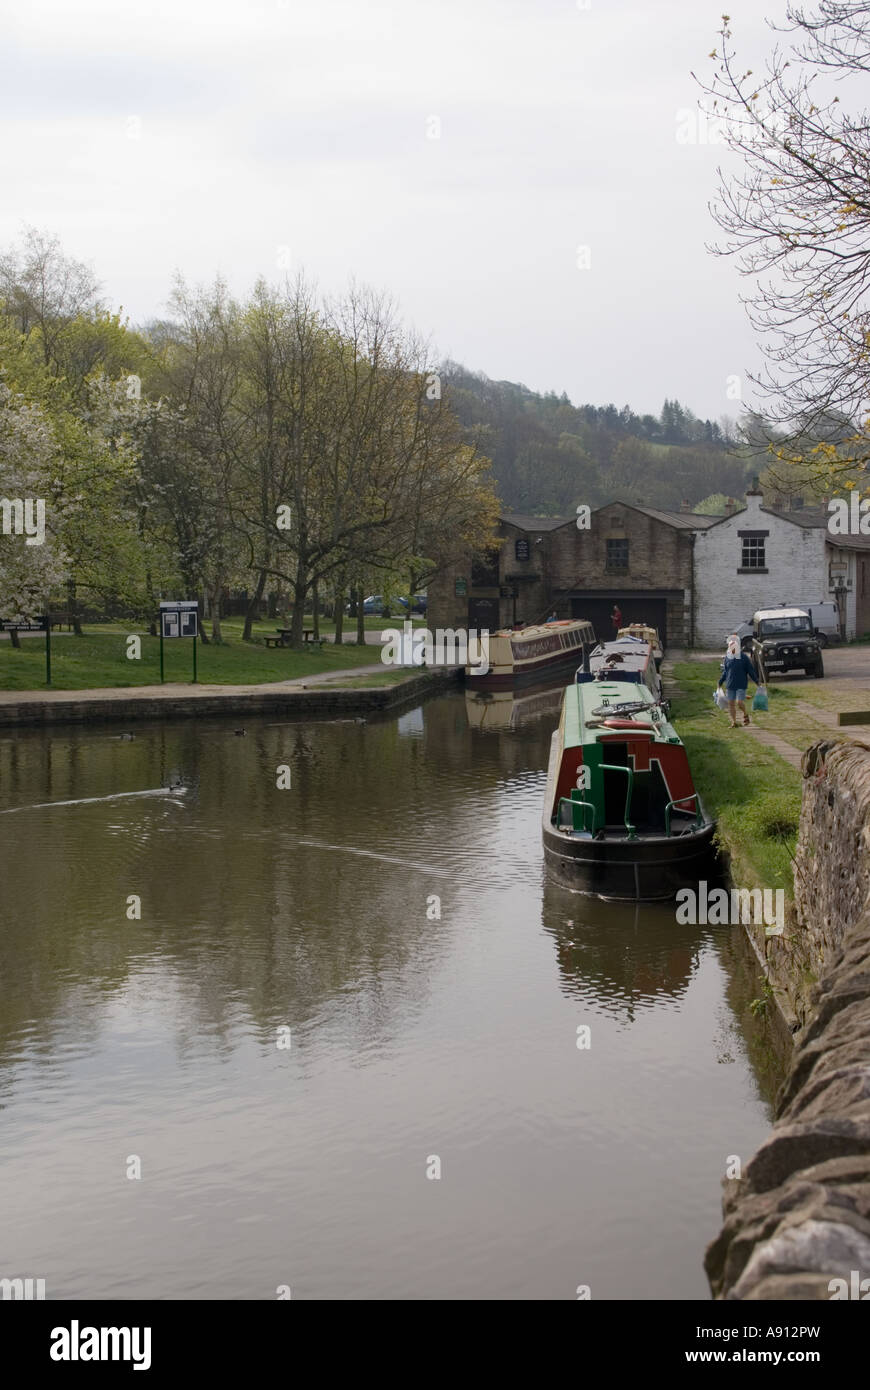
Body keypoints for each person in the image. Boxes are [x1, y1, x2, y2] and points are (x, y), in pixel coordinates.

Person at [718, 634, 759, 728]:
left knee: (739, 702)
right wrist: (720, 682)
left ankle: (745, 714)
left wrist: (756, 681)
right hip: (730, 684)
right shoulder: (727, 658)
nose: (732, 649)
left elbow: (750, 671)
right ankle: (734, 722)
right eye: (730, 647)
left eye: (734, 647)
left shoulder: (744, 658)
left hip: (741, 684)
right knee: (731, 704)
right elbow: (725, 672)